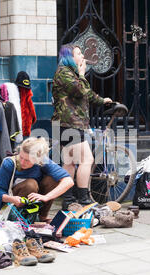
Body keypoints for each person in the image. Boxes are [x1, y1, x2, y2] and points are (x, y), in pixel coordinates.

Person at [51, 43, 112, 209]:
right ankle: (83, 198)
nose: (82, 57)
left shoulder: (69, 73)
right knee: (87, 159)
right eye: (79, 53)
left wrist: (102, 100)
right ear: (69, 57)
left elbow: (87, 95)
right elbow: (80, 90)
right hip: (69, 124)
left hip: (68, 124)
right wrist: (82, 74)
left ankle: (69, 199)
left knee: (70, 162)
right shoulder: (64, 73)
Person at [0, 137, 74, 223]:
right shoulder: (10, 163)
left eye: (27, 160)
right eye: (21, 157)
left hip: (35, 200)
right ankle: (20, 219)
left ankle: (42, 217)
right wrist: (12, 199)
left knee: (53, 179)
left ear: (38, 159)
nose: (22, 162)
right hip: (14, 202)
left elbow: (68, 181)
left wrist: (46, 197)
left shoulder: (43, 161)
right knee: (30, 184)